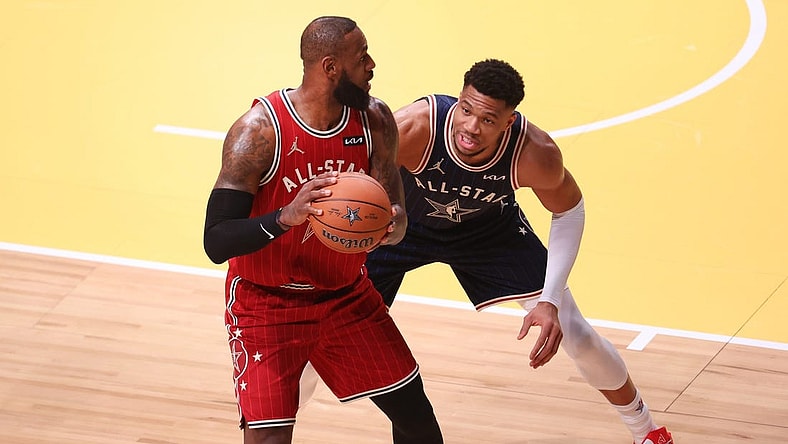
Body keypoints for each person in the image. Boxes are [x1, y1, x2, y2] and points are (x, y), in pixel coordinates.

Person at [364, 59, 674, 444]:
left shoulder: (534, 153)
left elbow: (569, 210)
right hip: (407, 226)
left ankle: (648, 432)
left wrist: (550, 299)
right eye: (466, 110)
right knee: (325, 325)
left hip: (489, 231)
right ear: (458, 101)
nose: (471, 127)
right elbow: (361, 177)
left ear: (509, 121)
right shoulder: (415, 127)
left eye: (488, 119)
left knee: (576, 333)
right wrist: (375, 221)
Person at [202, 16, 443, 444]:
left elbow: (395, 208)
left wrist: (394, 224)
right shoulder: (259, 131)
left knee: (416, 416)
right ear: (330, 67)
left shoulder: (375, 120)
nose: (372, 64)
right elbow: (216, 240)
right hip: (266, 306)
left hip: (346, 298)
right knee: (270, 441)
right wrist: (285, 217)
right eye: (361, 56)